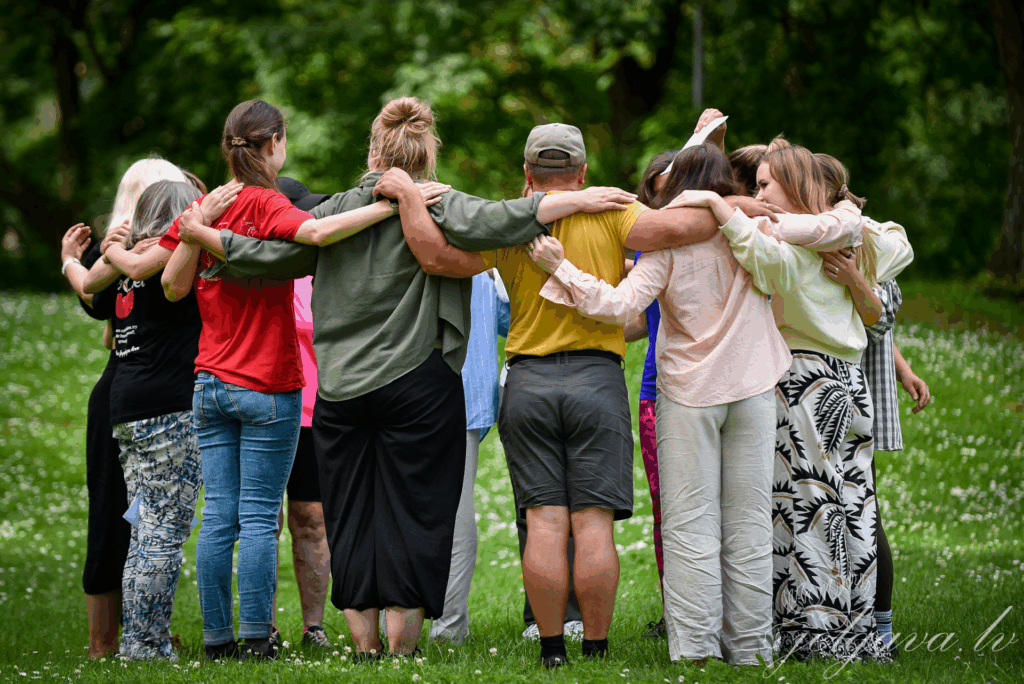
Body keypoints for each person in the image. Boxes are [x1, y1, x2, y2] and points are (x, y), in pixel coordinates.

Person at [170, 97, 638, 660]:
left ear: (373, 150)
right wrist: (578, 198)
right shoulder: (440, 203)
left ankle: (364, 646)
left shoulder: (330, 213)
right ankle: (402, 646)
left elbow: (265, 257)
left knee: (349, 516)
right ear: (427, 155)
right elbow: (506, 218)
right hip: (419, 383)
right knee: (415, 513)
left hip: (340, 389)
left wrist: (203, 237)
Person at [393, 122, 782, 668]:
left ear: (527, 175)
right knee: (593, 521)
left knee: (546, 521)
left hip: (528, 382)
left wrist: (410, 196)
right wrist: (744, 202)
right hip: (597, 381)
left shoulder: (510, 223)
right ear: (583, 173)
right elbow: (686, 226)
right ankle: (596, 648)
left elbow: (437, 257)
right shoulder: (617, 214)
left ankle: (552, 649)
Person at [529, 141, 869, 665]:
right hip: (755, 388)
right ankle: (751, 649)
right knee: (750, 522)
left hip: (687, 395)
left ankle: (694, 649)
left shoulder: (667, 249)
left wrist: (561, 269)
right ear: (727, 189)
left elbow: (619, 308)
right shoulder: (751, 231)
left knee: (690, 524)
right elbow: (814, 244)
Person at [160, 99, 406, 662]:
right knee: (257, 513)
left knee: (220, 514)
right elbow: (317, 234)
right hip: (267, 382)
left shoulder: (206, 206)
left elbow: (173, 287)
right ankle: (254, 637)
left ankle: (218, 642)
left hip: (209, 383)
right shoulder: (267, 201)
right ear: (273, 144)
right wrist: (388, 208)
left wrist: (197, 228)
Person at [667, 136, 913, 662]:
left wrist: (718, 204)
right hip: (849, 383)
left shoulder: (793, 249)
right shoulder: (851, 239)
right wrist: (844, 220)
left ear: (792, 186)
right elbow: (900, 246)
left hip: (801, 383)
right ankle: (858, 628)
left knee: (802, 505)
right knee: (850, 505)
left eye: (763, 185)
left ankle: (811, 631)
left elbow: (754, 252)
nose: (757, 194)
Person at [58, 157, 188, 659]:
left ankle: (123, 636)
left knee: (129, 520)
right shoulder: (164, 254)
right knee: (146, 523)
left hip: (116, 399)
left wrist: (71, 260)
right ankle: (130, 640)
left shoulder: (110, 257)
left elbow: (91, 293)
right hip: (158, 400)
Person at [814, 154, 933, 657]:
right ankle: (831, 608)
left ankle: (879, 624)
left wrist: (899, 368)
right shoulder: (820, 242)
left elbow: (879, 321)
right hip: (828, 391)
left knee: (864, 508)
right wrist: (905, 366)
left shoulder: (865, 246)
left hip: (857, 391)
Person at [97, 180, 206, 660]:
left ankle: (139, 640)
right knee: (164, 529)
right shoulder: (172, 255)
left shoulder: (121, 269)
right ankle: (146, 643)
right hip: (169, 407)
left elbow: (87, 289)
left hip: (126, 408)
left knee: (144, 528)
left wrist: (106, 250)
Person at [429, 268, 511, 644]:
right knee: (458, 513)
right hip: (466, 397)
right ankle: (447, 629)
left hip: (414, 396)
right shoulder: (481, 264)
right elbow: (511, 323)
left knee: (409, 511)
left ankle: (401, 624)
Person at [275, 177, 332, 650]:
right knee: (261, 521)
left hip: (314, 411)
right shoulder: (250, 264)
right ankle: (261, 624)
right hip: (267, 405)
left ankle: (314, 625)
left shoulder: (320, 264)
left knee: (311, 518)